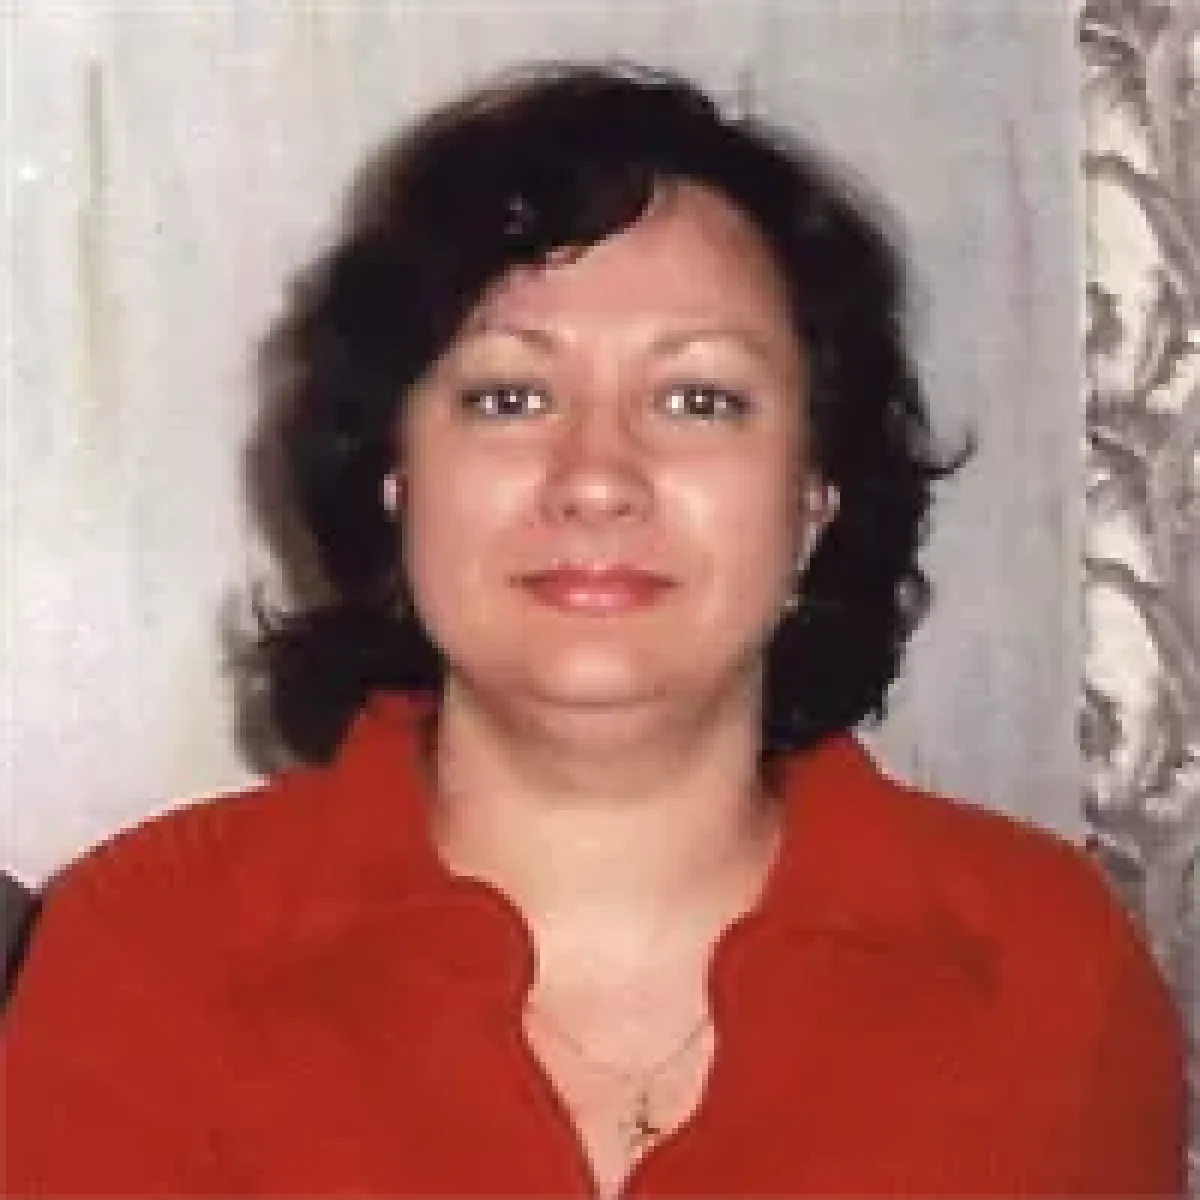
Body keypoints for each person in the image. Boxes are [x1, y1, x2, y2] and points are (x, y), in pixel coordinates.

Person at [0, 62, 1184, 1199]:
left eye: (698, 399)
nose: (597, 477)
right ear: (396, 480)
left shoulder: (1042, 959)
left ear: (815, 498)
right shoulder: (146, 949)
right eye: (509, 398)